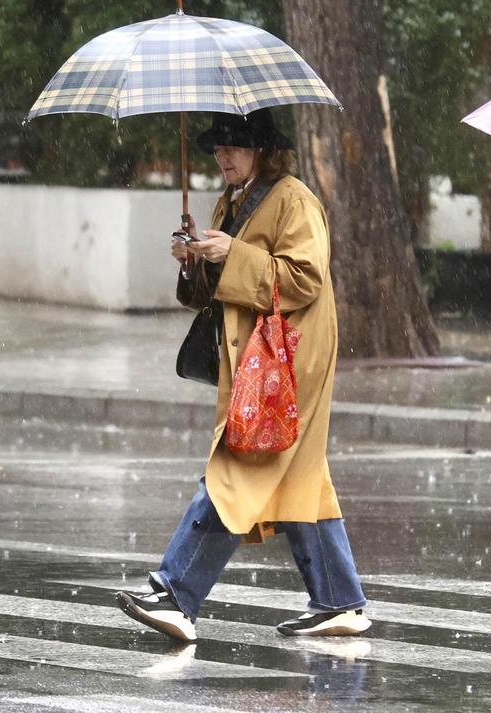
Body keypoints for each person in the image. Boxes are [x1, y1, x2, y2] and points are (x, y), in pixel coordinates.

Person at [114, 109, 369, 641]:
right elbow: (218, 290)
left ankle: (178, 593)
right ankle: (339, 600)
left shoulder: (294, 199)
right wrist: (193, 261)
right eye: (217, 148)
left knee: (238, 468)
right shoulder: (231, 201)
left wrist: (233, 253)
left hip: (287, 361)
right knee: (299, 479)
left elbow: (303, 280)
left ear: (262, 150)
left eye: (233, 146)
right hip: (258, 357)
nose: (222, 156)